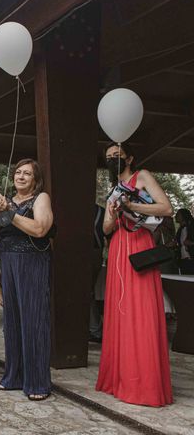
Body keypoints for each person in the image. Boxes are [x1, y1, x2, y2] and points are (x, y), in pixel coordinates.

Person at [96, 142, 173, 407]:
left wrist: (133, 207)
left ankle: (144, 384)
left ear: (129, 158)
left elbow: (166, 208)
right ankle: (121, 379)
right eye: (108, 158)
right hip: (118, 248)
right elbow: (106, 229)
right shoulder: (112, 191)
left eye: (117, 156)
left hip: (140, 247)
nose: (112, 160)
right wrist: (115, 213)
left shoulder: (143, 177)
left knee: (141, 313)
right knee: (120, 313)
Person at [0, 159, 53, 401]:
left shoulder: (40, 198)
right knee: (12, 320)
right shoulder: (7, 201)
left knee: (33, 320)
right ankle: (13, 375)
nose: (21, 176)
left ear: (35, 179)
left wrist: (11, 215)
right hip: (8, 261)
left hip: (32, 261)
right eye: (18, 172)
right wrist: (2, 212)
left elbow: (40, 229)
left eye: (27, 173)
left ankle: (37, 381)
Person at [89, 204, 106, 343]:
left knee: (87, 292)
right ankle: (94, 329)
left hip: (93, 252)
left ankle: (95, 330)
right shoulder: (101, 211)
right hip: (95, 252)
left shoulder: (101, 211)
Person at [175, 208, 194, 273]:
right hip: (184, 262)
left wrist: (192, 243)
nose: (176, 216)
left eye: (178, 214)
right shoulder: (179, 230)